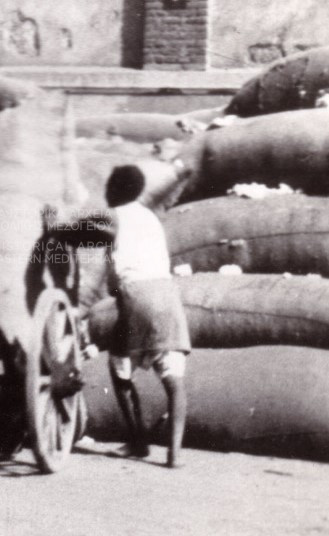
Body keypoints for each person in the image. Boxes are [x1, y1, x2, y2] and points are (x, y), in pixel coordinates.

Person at [103, 165, 190, 469]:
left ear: (114, 189)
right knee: (174, 380)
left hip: (137, 297)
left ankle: (138, 442)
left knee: (119, 367)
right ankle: (174, 454)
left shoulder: (113, 216)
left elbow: (109, 275)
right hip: (167, 296)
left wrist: (52, 225)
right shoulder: (150, 217)